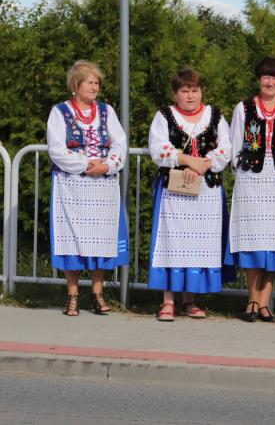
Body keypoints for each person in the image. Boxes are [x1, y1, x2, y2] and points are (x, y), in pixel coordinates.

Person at [147, 67, 232, 322]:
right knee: (172, 243)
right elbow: (158, 149)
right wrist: (186, 160)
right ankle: (168, 301)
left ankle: (190, 300)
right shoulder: (164, 115)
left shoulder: (215, 115)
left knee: (199, 245)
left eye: (195, 90)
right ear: (175, 93)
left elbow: (225, 148)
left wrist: (200, 166)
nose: (190, 95)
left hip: (207, 191)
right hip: (174, 193)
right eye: (185, 91)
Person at [47, 60, 128, 316]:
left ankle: (97, 293)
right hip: (71, 186)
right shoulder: (60, 112)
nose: (94, 87)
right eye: (89, 82)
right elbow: (56, 149)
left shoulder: (106, 111)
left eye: (97, 83)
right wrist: (85, 164)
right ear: (76, 84)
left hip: (103, 186)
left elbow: (119, 143)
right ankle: (72, 295)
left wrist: (107, 165)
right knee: (71, 240)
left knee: (101, 240)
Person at [227, 57, 275, 323]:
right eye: (266, 77)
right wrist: (241, 172)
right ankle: (252, 300)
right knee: (252, 241)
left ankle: (265, 302)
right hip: (251, 180)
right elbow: (235, 144)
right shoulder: (244, 108)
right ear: (259, 79)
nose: (270, 82)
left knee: (274, 244)